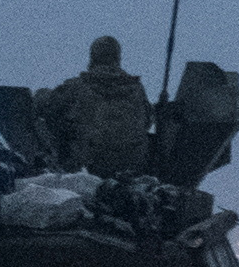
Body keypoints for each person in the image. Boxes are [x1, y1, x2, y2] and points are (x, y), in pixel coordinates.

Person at [36, 36, 155, 177]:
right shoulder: (137, 89)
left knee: (41, 125)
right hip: (131, 165)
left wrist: (40, 94)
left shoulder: (77, 86)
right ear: (118, 58)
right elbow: (147, 121)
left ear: (93, 57)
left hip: (88, 165)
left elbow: (50, 106)